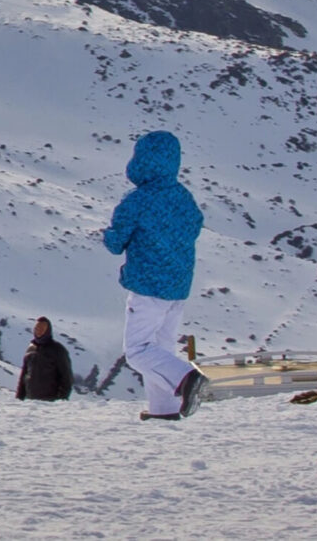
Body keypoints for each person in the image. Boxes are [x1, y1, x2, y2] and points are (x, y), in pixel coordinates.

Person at [102, 129, 208, 421]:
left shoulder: (138, 200)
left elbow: (116, 242)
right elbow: (195, 226)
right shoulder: (183, 197)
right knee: (161, 348)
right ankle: (165, 409)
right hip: (178, 286)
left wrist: (110, 234)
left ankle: (187, 378)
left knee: (138, 351)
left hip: (148, 285)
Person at [16, 317, 74, 400]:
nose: (39, 331)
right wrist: (19, 398)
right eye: (37, 328)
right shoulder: (31, 349)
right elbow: (23, 376)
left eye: (42, 328)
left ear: (48, 331)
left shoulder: (58, 349)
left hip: (51, 402)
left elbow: (67, 377)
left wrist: (61, 400)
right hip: (31, 402)